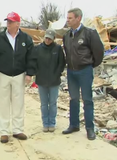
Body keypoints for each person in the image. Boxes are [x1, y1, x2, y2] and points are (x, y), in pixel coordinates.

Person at [0, 12, 36, 143]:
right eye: (7, 21)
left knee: (18, 103)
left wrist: (30, 73)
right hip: (2, 74)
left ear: (18, 24)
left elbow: (31, 57)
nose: (8, 23)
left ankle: (18, 130)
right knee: (3, 103)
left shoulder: (26, 38)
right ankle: (4, 131)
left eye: (11, 21)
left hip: (19, 74)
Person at [62, 8, 104, 140]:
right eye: (67, 18)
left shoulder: (89, 33)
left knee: (87, 100)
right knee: (73, 98)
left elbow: (99, 52)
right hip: (71, 71)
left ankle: (89, 129)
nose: (67, 20)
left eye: (70, 18)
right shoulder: (67, 35)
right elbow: (68, 53)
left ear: (78, 18)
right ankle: (74, 125)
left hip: (85, 71)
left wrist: (90, 65)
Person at [33, 29, 65, 132]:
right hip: (41, 80)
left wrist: (57, 74)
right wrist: (36, 73)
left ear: (53, 39)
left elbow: (62, 63)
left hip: (54, 80)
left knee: (52, 103)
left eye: (50, 39)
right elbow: (33, 62)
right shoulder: (38, 49)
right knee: (43, 103)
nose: (47, 40)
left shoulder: (58, 49)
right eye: (46, 38)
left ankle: (52, 123)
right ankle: (45, 123)